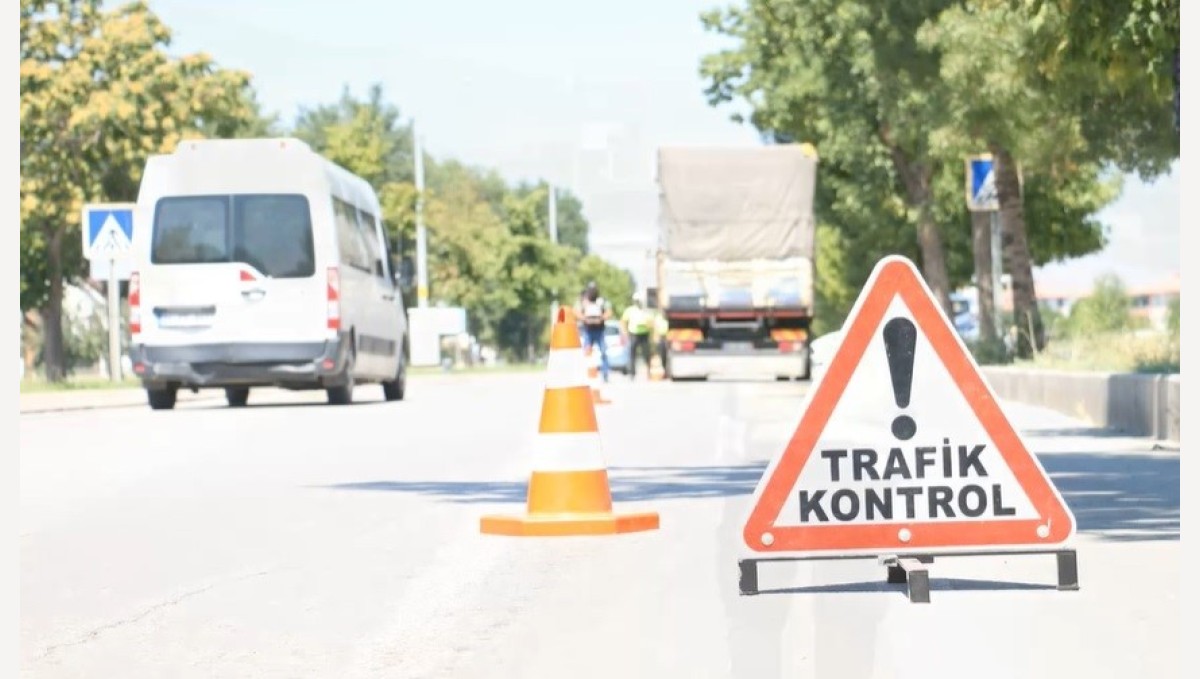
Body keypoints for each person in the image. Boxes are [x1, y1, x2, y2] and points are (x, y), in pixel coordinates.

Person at [575, 281, 612, 382]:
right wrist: (585, 318)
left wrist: (601, 318)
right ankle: (584, 373)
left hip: (599, 331)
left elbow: (609, 312)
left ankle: (605, 374)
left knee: (603, 352)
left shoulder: (602, 301)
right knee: (586, 352)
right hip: (588, 331)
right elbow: (577, 312)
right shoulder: (583, 301)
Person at [620, 292, 653, 380]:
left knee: (646, 354)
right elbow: (623, 321)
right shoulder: (630, 310)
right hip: (633, 334)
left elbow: (651, 323)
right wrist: (625, 333)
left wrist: (648, 326)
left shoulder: (646, 311)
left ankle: (649, 373)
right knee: (632, 354)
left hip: (644, 334)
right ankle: (632, 373)